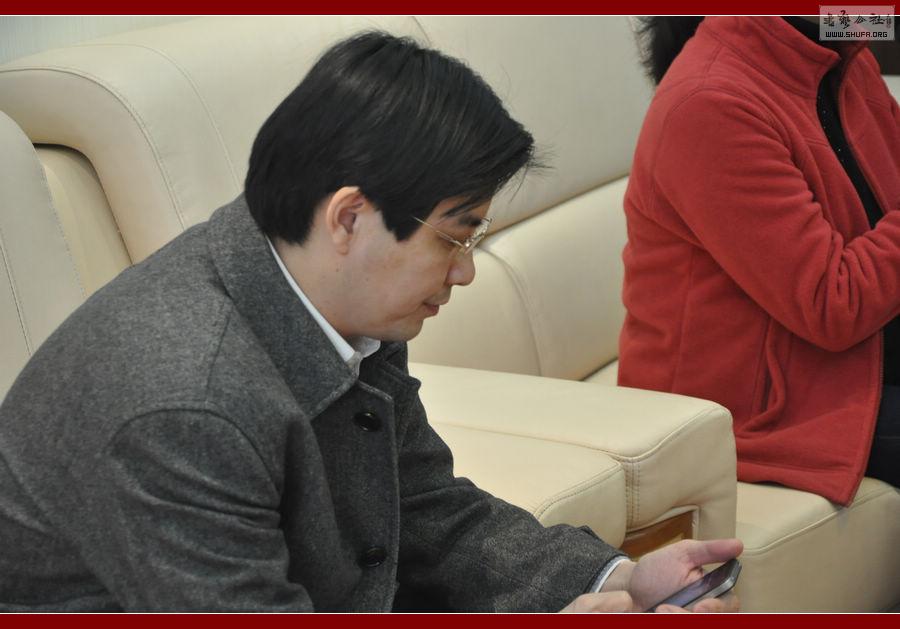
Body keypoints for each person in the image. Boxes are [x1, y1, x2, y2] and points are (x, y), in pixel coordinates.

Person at [0, 31, 741, 612]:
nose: (465, 271)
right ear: (350, 217)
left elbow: (422, 505)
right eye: (454, 238)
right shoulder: (183, 403)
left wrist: (617, 577)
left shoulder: (336, 299)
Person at [619, 16, 900, 506]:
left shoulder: (845, 53)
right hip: (757, 412)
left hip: (845, 362)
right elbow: (833, 303)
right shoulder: (707, 104)